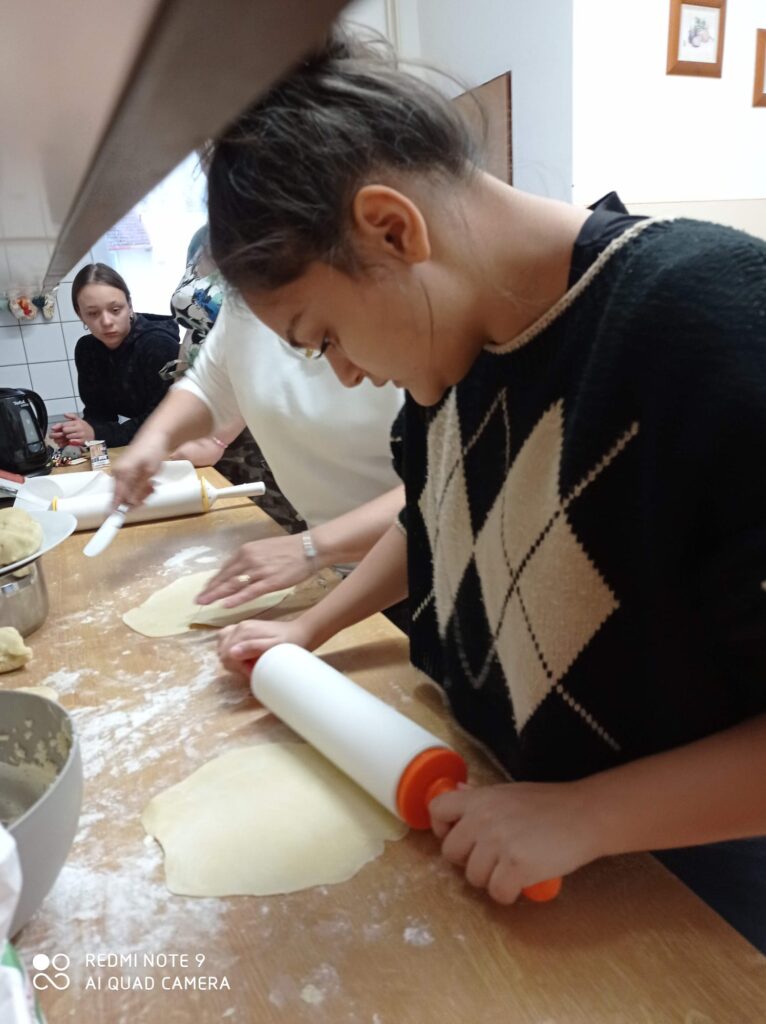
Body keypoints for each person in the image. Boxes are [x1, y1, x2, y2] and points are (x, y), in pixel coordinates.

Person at [189, 30, 765, 950]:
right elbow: (437, 516)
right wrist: (310, 630)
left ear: (392, 229)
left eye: (323, 334)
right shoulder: (456, 350)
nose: (343, 371)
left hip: (686, 898)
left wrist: (591, 816)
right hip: (518, 837)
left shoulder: (709, 325)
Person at [112, 289, 406, 613]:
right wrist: (155, 438)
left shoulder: (402, 309)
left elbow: (442, 486)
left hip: (420, 565)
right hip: (338, 567)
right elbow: (211, 385)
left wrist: (312, 549)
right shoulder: (247, 296)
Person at [169, 225, 305, 533]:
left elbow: (262, 356)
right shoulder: (200, 243)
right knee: (225, 523)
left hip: (250, 423)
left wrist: (217, 439)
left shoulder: (259, 255)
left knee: (268, 523)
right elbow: (192, 343)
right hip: (208, 417)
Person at [50, 264, 179, 449]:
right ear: (80, 315)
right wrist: (80, 433)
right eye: (93, 313)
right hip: (143, 442)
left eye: (116, 309)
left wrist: (97, 434)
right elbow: (99, 412)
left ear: (130, 306)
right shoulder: (88, 350)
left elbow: (165, 419)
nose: (106, 321)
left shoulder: (158, 345)